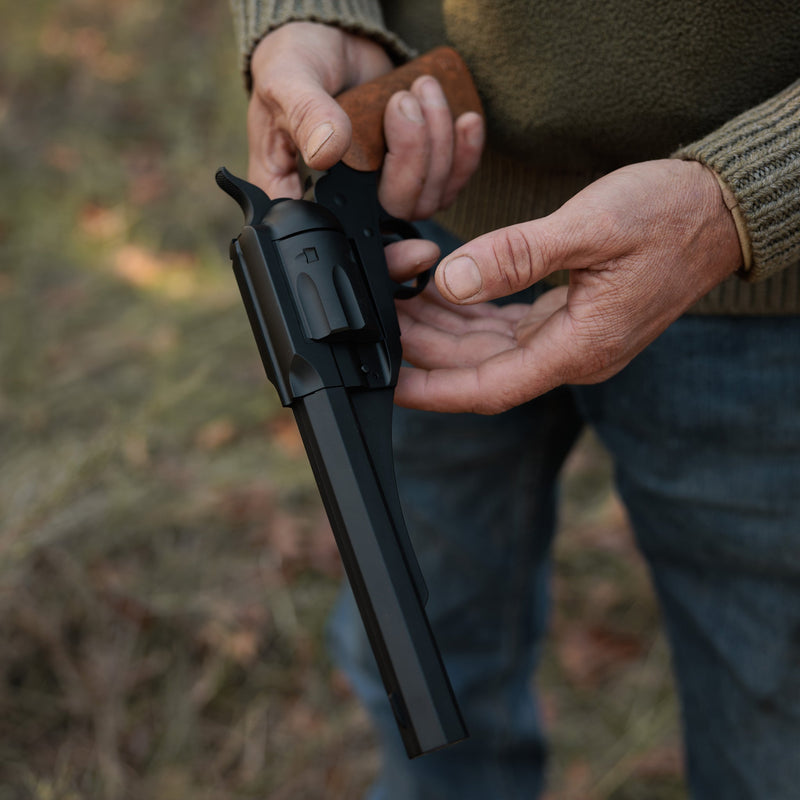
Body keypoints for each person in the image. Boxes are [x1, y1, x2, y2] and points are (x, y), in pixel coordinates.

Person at [228, 4, 800, 798]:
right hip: (429, 215)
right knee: (423, 629)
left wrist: (746, 195)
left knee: (773, 707)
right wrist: (311, 16)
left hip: (767, 287)